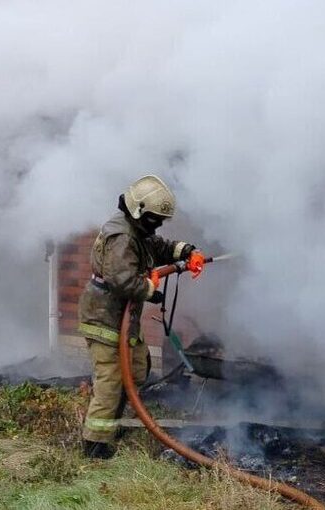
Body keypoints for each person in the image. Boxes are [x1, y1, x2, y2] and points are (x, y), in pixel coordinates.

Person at [77, 174, 204, 459]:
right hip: (105, 317)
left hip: (123, 315)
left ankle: (111, 424)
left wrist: (187, 251)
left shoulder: (137, 230)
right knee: (111, 380)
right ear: (138, 210)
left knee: (134, 371)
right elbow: (122, 281)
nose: (157, 225)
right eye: (154, 219)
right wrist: (150, 290)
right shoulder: (122, 237)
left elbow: (158, 248)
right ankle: (95, 444)